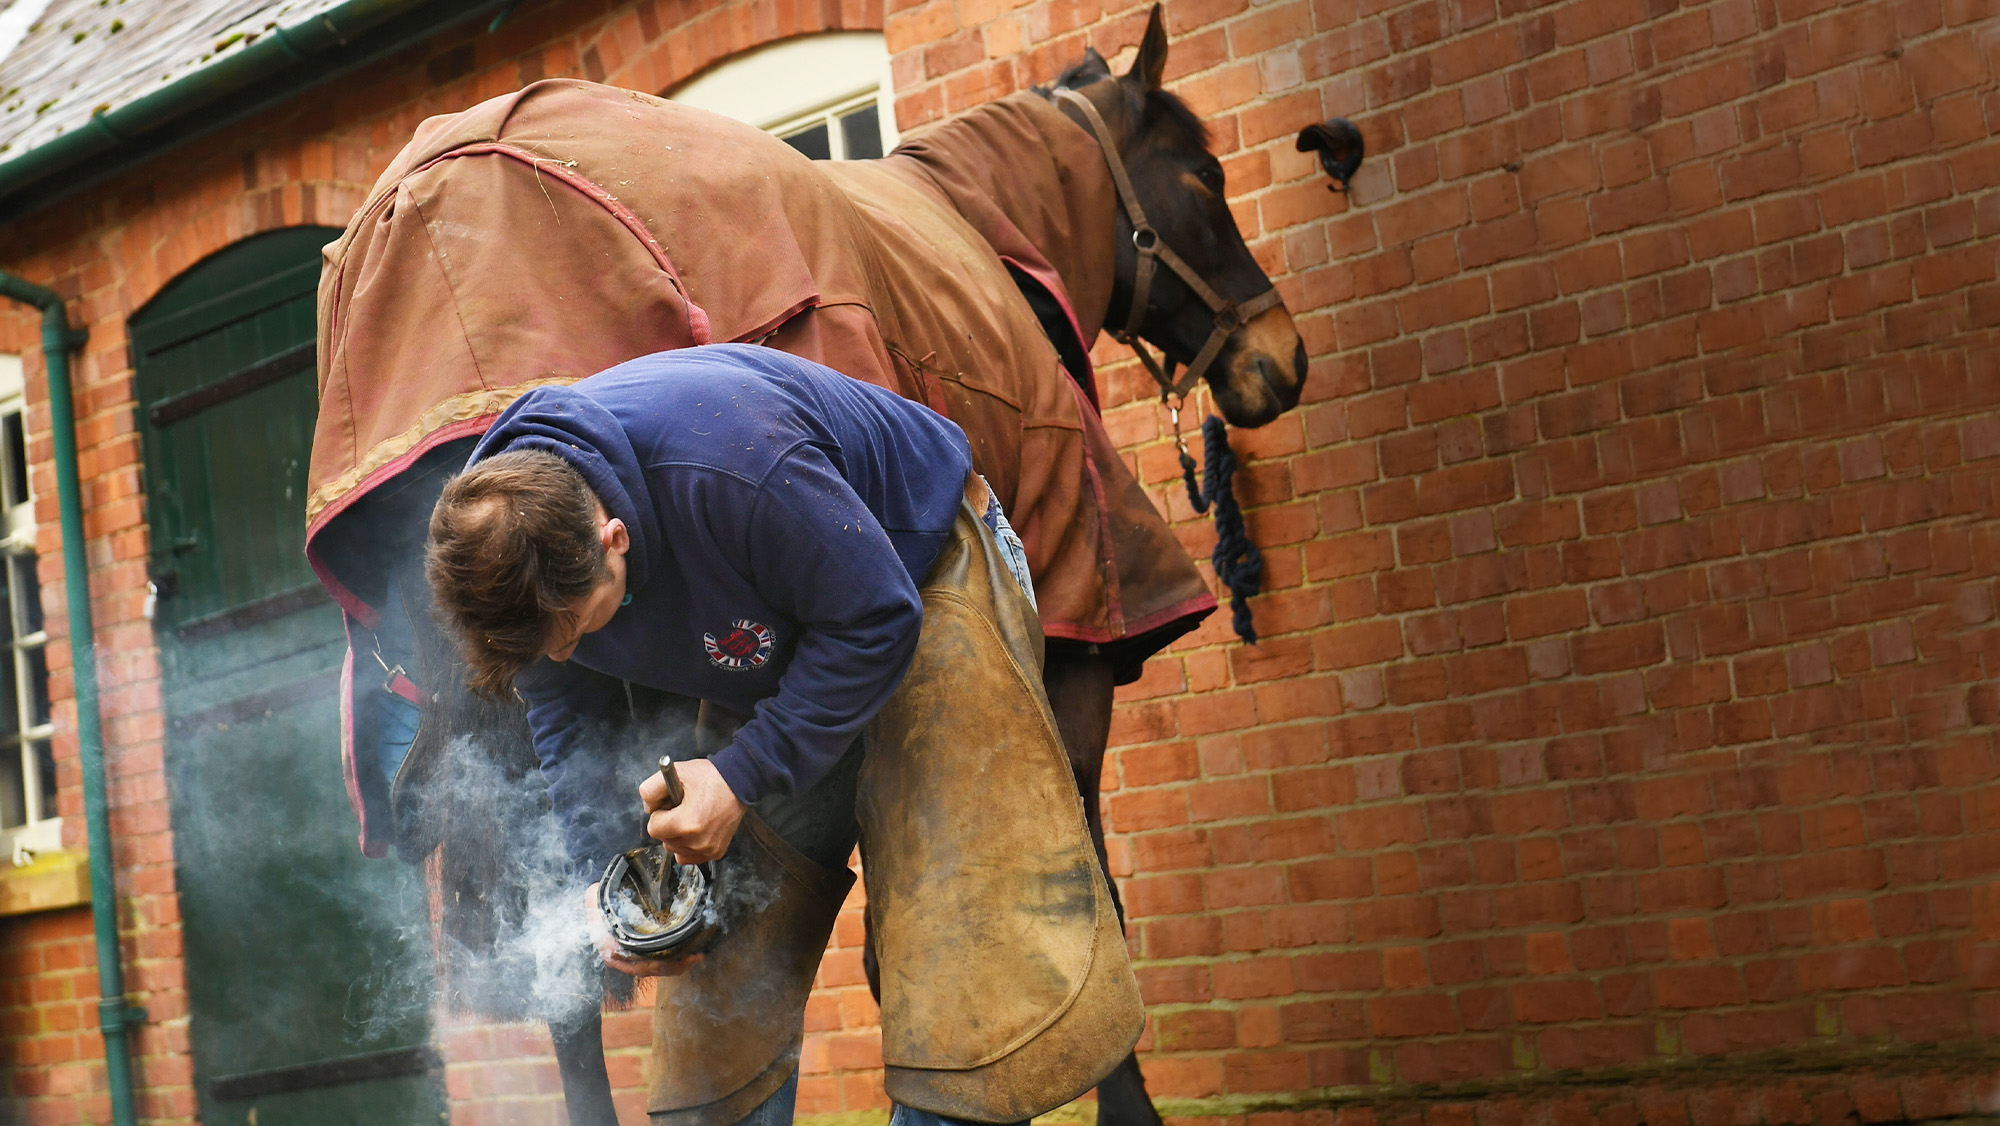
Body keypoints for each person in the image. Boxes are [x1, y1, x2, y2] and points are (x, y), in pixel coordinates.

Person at [425, 344, 1127, 1126]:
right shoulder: (520, 560)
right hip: (780, 627)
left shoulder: (733, 467)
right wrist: (605, 882)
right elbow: (567, 721)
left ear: (612, 537)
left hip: (917, 580)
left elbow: (875, 618)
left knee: (964, 940)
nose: (563, 654)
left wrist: (743, 771)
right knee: (710, 944)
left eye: (571, 630)